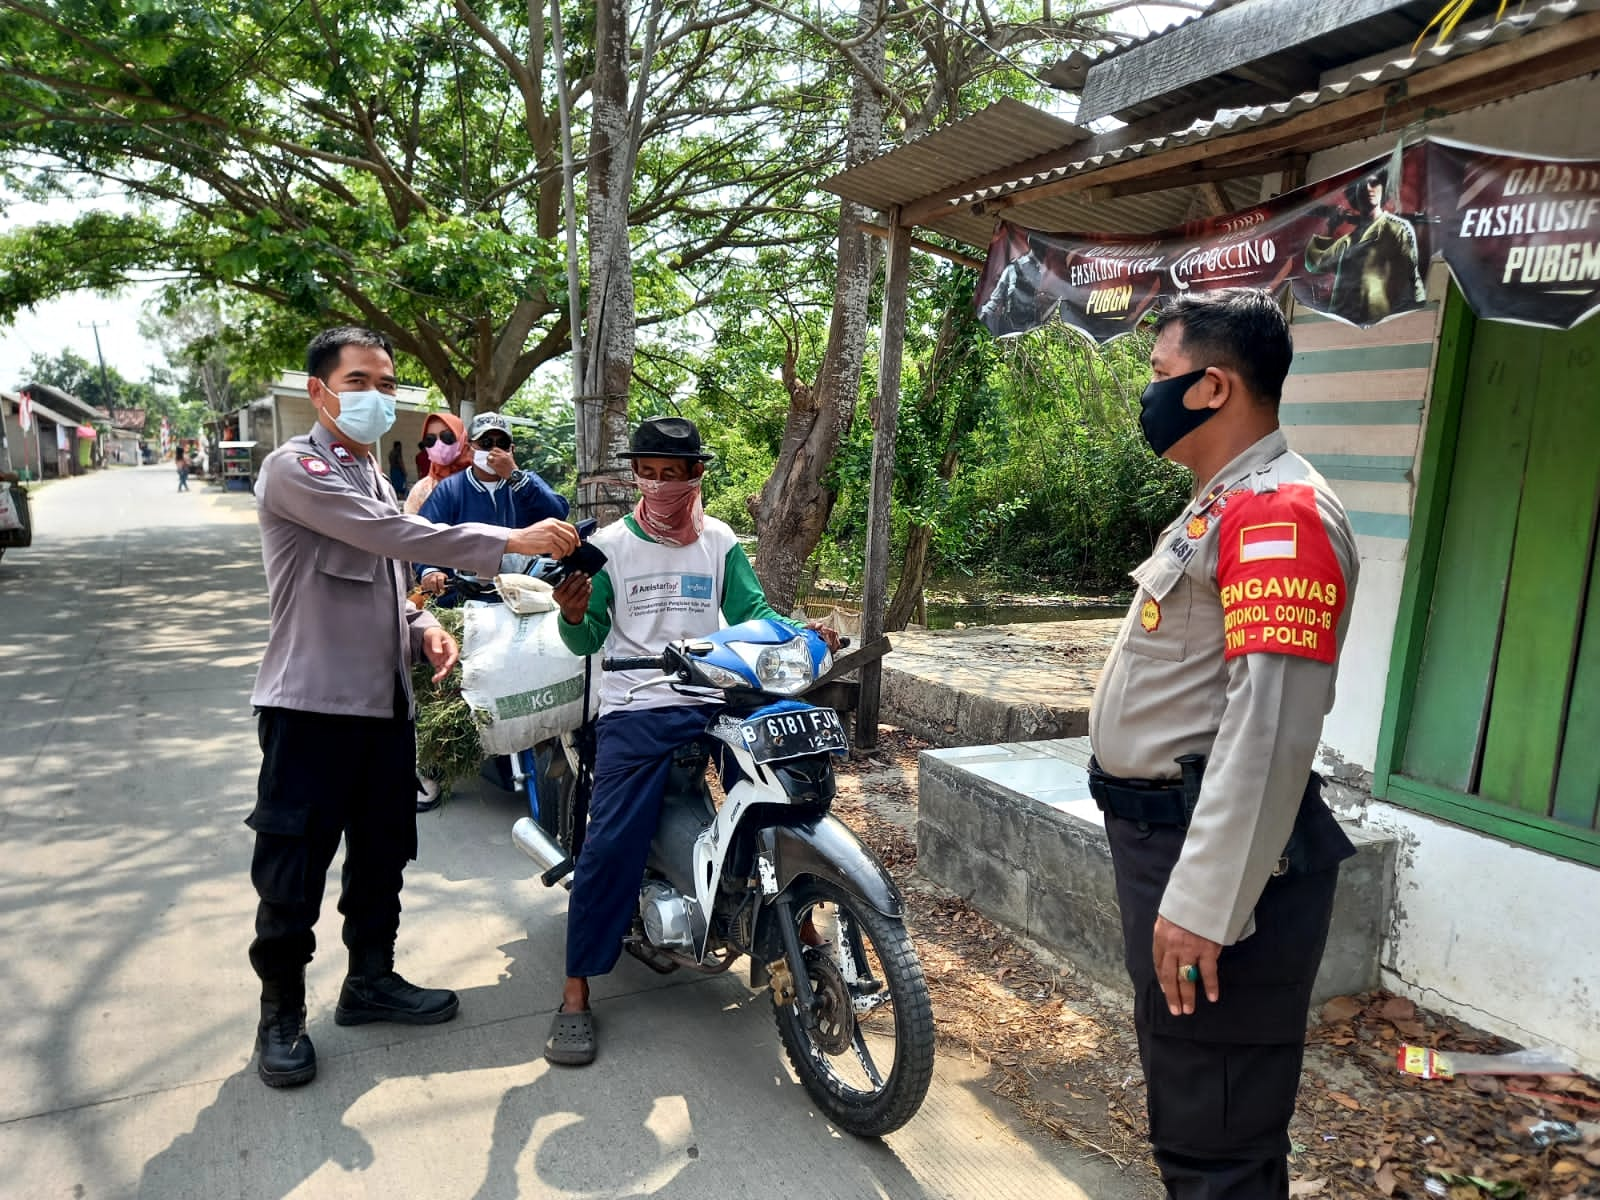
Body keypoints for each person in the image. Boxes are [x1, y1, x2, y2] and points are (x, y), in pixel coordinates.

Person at [247, 326, 580, 1090]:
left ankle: (369, 982)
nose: (377, 394)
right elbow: (400, 535)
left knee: (383, 851)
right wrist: (510, 538)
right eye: (360, 380)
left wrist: (423, 625)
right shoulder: (295, 469)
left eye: (387, 382)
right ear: (321, 390)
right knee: (292, 867)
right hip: (311, 708)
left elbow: (389, 578)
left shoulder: (369, 473)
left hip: (381, 705)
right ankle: (281, 1014)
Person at [1087, 288, 1360, 1198]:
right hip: (1169, 839)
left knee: (1218, 1135)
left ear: (1212, 387)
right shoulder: (1225, 502)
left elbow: (1270, 726)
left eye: (1159, 374)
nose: (1149, 393)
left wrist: (1206, 903)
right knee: (1193, 1098)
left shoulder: (1279, 514)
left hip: (1214, 857)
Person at [545, 416, 840, 1066]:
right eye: (646, 473)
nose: (657, 485)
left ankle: (795, 931)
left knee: (775, 802)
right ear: (635, 475)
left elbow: (753, 615)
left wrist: (799, 630)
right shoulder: (611, 548)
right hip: (636, 706)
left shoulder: (720, 543)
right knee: (611, 842)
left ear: (696, 475)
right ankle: (573, 993)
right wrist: (572, 611)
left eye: (670, 474)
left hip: (714, 697)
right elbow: (587, 637)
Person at [414, 411, 570, 599]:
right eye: (486, 443)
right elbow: (422, 536)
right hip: (467, 599)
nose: (494, 450)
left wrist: (515, 476)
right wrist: (429, 570)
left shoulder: (526, 483)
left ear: (512, 449)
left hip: (525, 594)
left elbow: (558, 514)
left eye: (502, 444)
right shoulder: (451, 489)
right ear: (470, 448)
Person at [1304, 167, 1426, 326]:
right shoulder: (1350, 239)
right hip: (1343, 323)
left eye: (1374, 183)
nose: (1368, 188)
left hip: (1381, 323)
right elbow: (1314, 265)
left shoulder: (1397, 229)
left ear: (1383, 188)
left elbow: (1412, 282)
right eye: (1362, 185)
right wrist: (1331, 225)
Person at [403, 411, 472, 516]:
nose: (439, 444)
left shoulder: (483, 481)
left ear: (462, 439)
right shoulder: (421, 490)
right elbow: (411, 529)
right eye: (430, 439)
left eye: (447, 437)